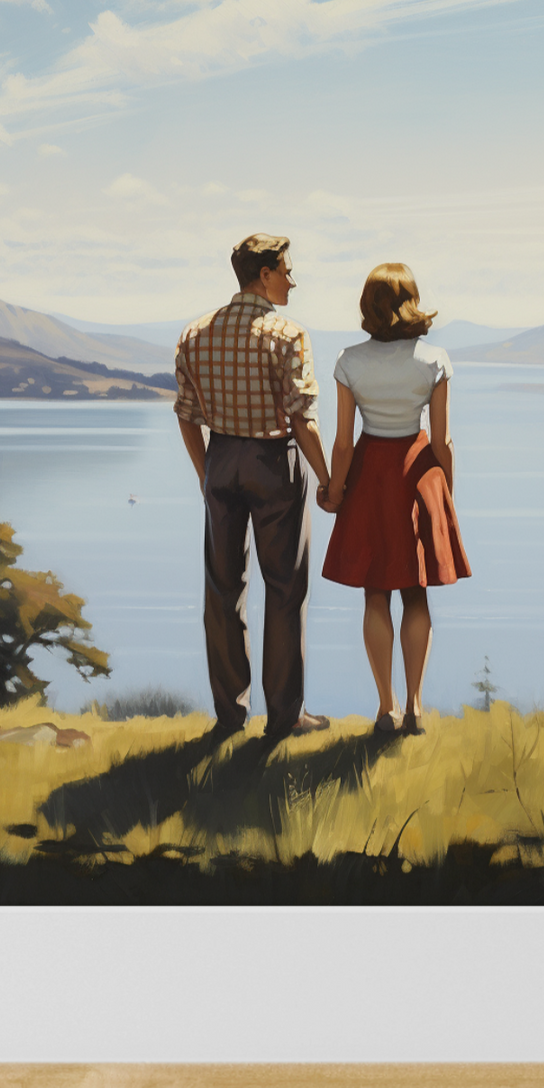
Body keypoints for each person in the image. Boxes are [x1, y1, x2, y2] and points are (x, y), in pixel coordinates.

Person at [174, 233, 333, 743]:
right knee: (285, 589)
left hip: (220, 458)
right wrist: (329, 480)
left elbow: (186, 417)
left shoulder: (195, 333)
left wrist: (206, 474)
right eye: (286, 270)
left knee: (222, 590)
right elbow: (302, 420)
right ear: (264, 274)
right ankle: (285, 715)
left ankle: (229, 714)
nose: (292, 279)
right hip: (273, 462)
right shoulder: (288, 335)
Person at [318, 263, 471, 736]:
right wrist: (445, 491)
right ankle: (415, 706)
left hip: (369, 474)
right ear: (412, 300)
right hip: (418, 473)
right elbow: (443, 440)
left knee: (375, 592)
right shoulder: (435, 359)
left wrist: (335, 490)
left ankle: (384, 707)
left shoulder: (349, 360)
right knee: (416, 593)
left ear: (368, 305)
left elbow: (343, 442)